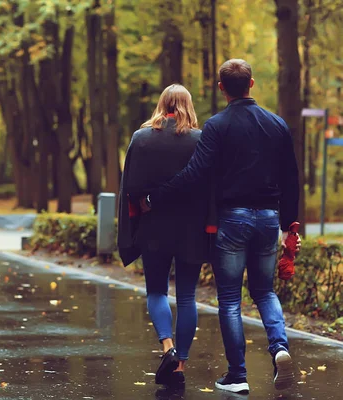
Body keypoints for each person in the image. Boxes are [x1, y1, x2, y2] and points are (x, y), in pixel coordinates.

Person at [141, 59, 300, 394]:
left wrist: (158, 198)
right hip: (270, 219)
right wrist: (290, 225)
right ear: (252, 84)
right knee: (265, 291)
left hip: (234, 219)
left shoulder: (217, 126)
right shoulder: (277, 125)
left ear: (221, 88)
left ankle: (238, 375)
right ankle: (280, 347)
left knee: (229, 299)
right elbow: (291, 179)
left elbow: (196, 174)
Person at [118, 84, 214, 388]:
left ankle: (167, 347)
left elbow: (131, 189)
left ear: (162, 104)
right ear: (189, 105)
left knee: (157, 291)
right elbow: (211, 189)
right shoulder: (201, 141)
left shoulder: (141, 138)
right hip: (191, 229)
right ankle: (180, 365)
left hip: (154, 227)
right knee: (187, 296)